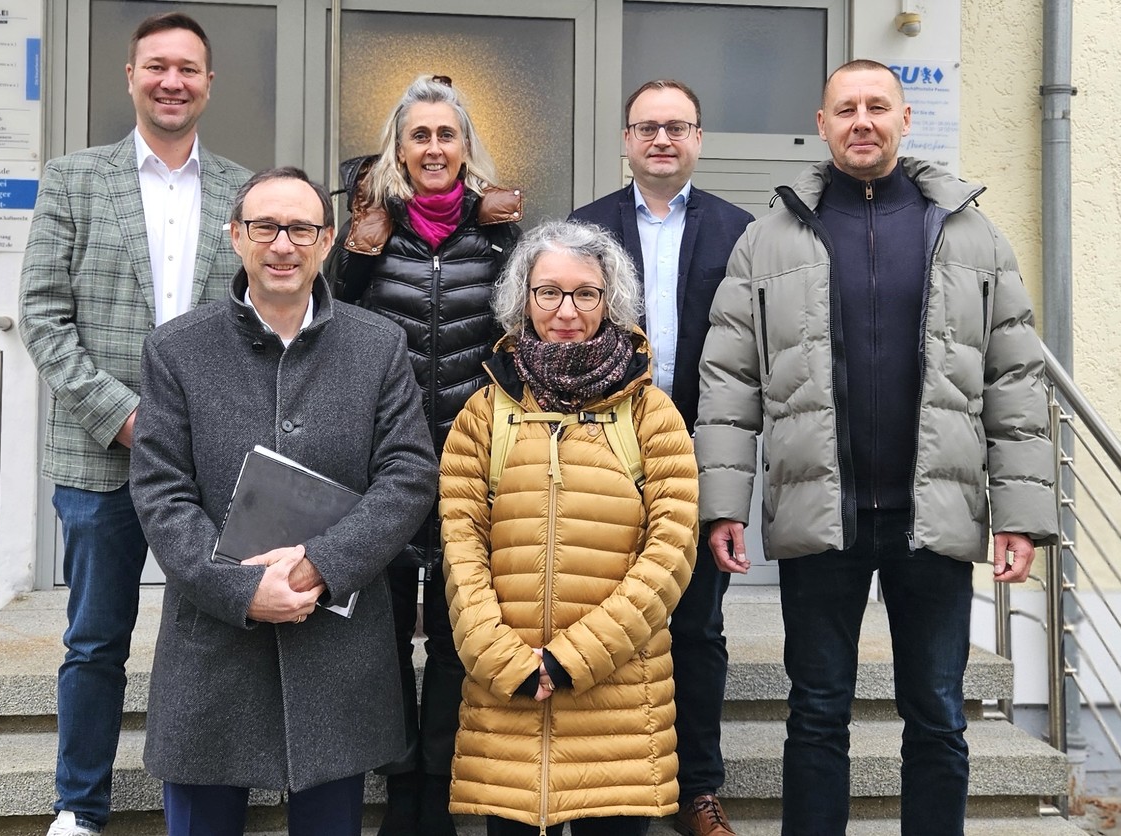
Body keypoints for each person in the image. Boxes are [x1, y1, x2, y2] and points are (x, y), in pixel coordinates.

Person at [695, 59, 1058, 836]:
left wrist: (1021, 516)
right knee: (817, 712)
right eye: (845, 109)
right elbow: (729, 382)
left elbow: (1015, 382)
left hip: (933, 513)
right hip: (820, 515)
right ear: (822, 125)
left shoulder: (970, 235)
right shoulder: (770, 239)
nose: (862, 121)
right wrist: (721, 505)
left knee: (938, 713)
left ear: (903, 120)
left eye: (877, 107)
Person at [128, 166, 438, 836]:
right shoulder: (177, 349)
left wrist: (321, 565)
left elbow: (409, 473)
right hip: (214, 639)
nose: (282, 244)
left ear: (327, 241)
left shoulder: (376, 345)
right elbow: (160, 491)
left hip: (334, 641)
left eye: (301, 228)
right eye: (265, 226)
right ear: (236, 237)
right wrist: (239, 586)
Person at [18, 12, 251, 836]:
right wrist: (123, 417)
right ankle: (79, 807)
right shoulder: (74, 179)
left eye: (189, 68)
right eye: (157, 66)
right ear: (131, 76)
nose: (172, 81)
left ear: (208, 84)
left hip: (209, 458)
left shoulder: (241, 193)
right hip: (98, 455)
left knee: (223, 633)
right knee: (95, 639)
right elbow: (42, 318)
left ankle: (225, 780)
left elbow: (254, 322)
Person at [440, 218, 699, 835]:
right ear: (521, 300)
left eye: (586, 293)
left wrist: (570, 660)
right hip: (510, 695)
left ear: (612, 301)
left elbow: (672, 551)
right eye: (547, 292)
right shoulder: (486, 411)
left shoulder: (650, 412)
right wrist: (506, 659)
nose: (565, 310)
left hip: (616, 699)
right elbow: (459, 545)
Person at [326, 73, 521, 836]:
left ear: (466, 146)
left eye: (447, 135)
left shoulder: (500, 233)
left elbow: (519, 339)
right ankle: (397, 787)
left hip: (474, 466)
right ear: (397, 149)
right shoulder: (368, 231)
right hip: (384, 466)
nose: (434, 148)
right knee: (376, 638)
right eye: (420, 136)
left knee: (453, 636)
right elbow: (333, 330)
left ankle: (437, 791)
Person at [571, 80, 752, 836]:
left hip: (701, 456)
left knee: (696, 629)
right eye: (647, 127)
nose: (662, 140)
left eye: (677, 127)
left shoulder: (741, 231)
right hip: (604, 457)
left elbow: (753, 358)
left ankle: (694, 789)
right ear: (625, 139)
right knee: (602, 619)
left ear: (700, 139)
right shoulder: (583, 228)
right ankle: (608, 786)